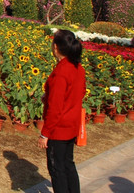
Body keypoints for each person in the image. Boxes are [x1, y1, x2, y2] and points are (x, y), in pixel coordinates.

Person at [37, 29, 86, 193]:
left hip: (58, 129)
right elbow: (81, 92)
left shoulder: (61, 72)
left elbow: (55, 108)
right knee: (68, 165)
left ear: (56, 47)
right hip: (71, 125)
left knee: (57, 169)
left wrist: (45, 133)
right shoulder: (77, 67)